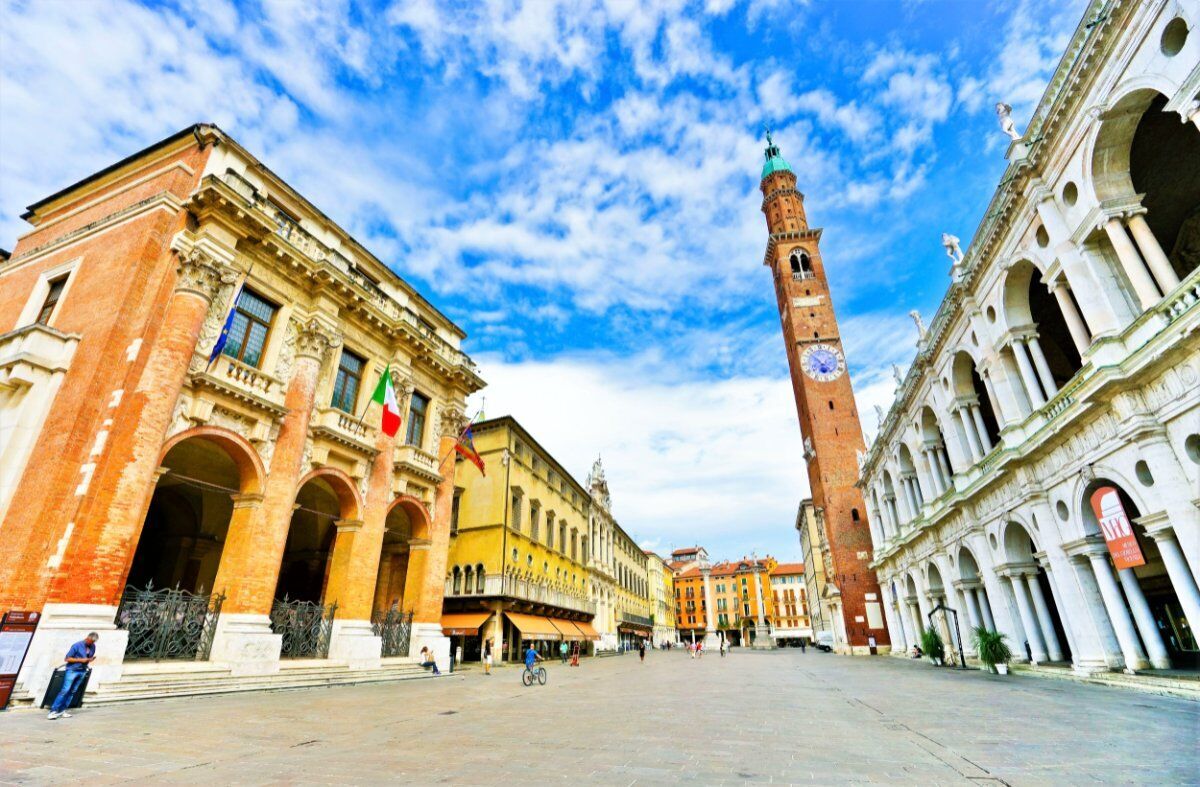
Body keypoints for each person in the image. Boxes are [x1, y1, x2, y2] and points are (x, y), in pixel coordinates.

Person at [47, 632, 97, 720]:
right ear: (87, 638)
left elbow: (88, 657)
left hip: (82, 670)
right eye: (91, 641)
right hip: (72, 670)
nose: (92, 643)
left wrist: (90, 659)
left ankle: (62, 711)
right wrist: (81, 660)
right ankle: (53, 711)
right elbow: (67, 658)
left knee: (73, 691)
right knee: (65, 690)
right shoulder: (77, 645)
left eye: (93, 642)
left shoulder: (93, 647)